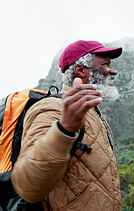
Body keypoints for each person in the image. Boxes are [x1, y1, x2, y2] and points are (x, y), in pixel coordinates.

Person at [11, 40, 123, 210]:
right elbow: (28, 186)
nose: (113, 71)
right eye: (106, 64)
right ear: (80, 70)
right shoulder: (50, 108)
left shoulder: (95, 113)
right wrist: (64, 129)